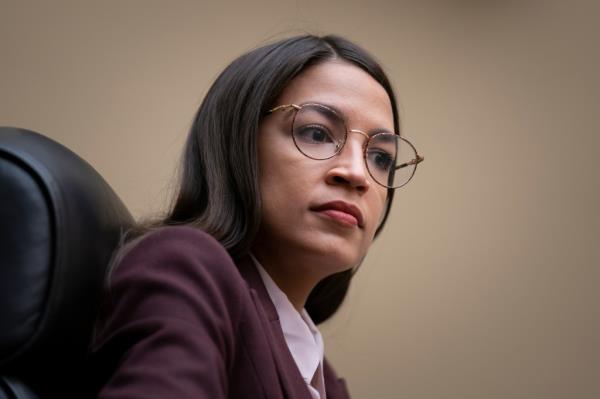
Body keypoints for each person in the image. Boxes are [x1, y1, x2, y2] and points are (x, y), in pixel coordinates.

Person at [88, 34, 423, 399]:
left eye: (381, 158)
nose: (357, 174)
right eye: (316, 133)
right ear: (240, 144)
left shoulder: (323, 377)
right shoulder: (184, 266)